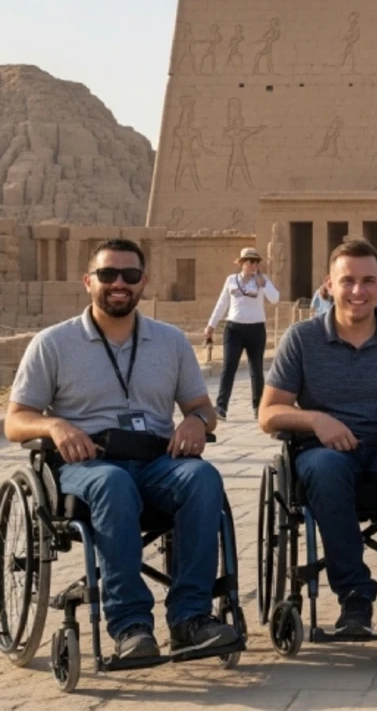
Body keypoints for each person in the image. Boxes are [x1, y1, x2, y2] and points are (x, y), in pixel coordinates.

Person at [5, 238, 236, 659]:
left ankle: (190, 618)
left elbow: (203, 408)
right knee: (113, 483)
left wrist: (195, 421)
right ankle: (130, 625)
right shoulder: (54, 343)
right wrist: (55, 425)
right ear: (87, 281)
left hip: (156, 460)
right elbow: (16, 419)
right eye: (108, 274)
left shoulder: (170, 342)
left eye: (130, 276)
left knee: (203, 477)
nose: (119, 284)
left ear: (143, 282)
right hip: (88, 463)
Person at [260, 239, 377, 636]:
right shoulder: (302, 338)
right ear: (328, 285)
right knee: (326, 469)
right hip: (327, 452)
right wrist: (316, 420)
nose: (358, 291)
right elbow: (269, 413)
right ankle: (354, 597)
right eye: (348, 281)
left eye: (368, 281)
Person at [205, 247, 280, 420]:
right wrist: (211, 325)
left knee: (256, 369)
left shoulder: (262, 280)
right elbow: (222, 303)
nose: (253, 265)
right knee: (228, 367)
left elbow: (275, 298)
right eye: (250, 261)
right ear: (242, 263)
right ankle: (221, 407)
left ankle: (258, 407)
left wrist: (265, 284)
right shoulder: (231, 280)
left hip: (256, 328)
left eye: (256, 262)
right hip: (234, 329)